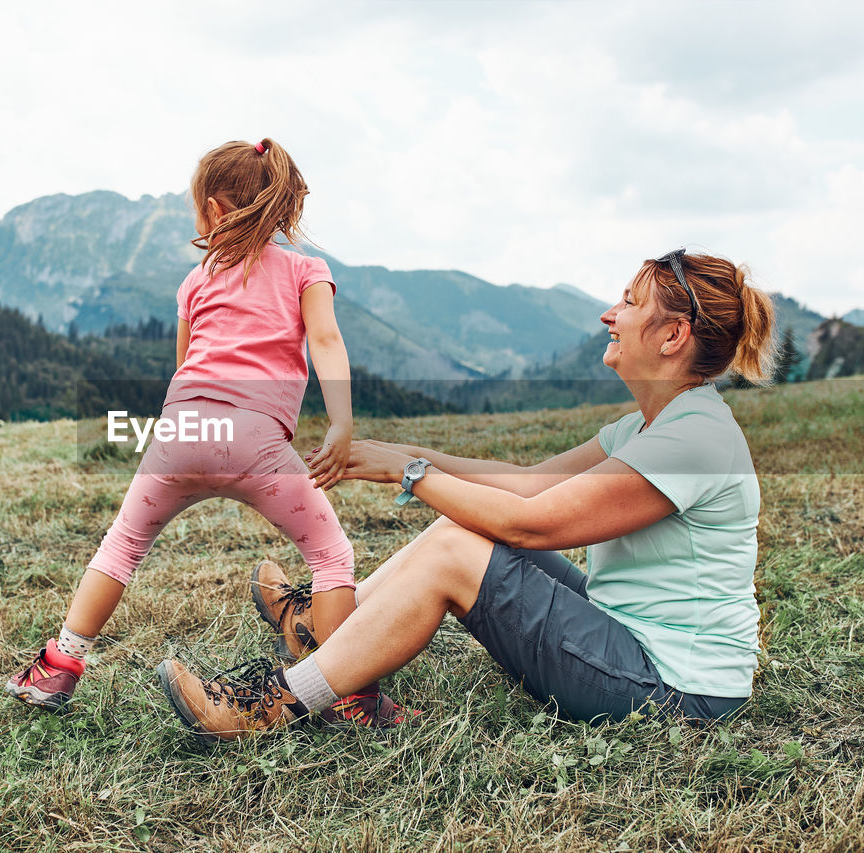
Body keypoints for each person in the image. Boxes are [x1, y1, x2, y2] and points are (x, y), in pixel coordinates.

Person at [158, 248, 777, 740]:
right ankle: (323, 636)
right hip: (631, 636)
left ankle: (276, 706)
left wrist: (411, 478)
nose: (608, 315)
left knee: (459, 552)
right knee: (460, 532)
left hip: (676, 690)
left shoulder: (693, 439)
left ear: (673, 336)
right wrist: (403, 457)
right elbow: (526, 481)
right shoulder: (647, 426)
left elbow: (530, 524)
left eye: (627, 302)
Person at [6, 138, 410, 723]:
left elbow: (185, 363)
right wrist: (341, 423)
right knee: (329, 556)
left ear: (216, 212)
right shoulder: (305, 271)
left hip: (180, 431)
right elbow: (325, 340)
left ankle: (58, 667)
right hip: (255, 442)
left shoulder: (194, 282)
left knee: (121, 545)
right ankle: (351, 695)